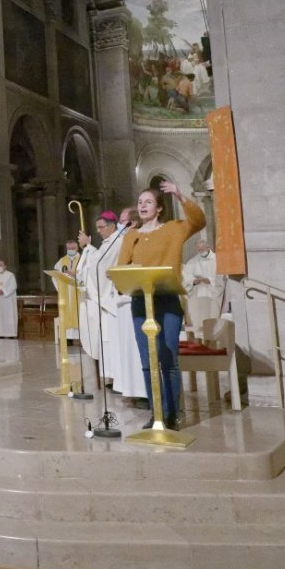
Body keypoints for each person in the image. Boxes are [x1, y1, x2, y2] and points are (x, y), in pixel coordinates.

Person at [118, 181, 206, 430]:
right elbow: (122, 267)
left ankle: (171, 413)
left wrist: (180, 195)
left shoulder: (173, 229)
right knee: (147, 360)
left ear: (158, 209)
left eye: (148, 202)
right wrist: (122, 276)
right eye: (140, 202)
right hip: (140, 301)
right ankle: (156, 413)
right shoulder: (131, 236)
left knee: (168, 358)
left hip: (167, 300)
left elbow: (199, 221)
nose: (142, 205)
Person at [76, 212, 124, 380]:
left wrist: (87, 246)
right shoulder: (108, 243)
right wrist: (88, 248)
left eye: (101, 227)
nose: (98, 231)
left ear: (111, 226)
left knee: (110, 339)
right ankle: (111, 377)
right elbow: (98, 260)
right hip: (106, 299)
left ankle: (115, 377)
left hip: (109, 299)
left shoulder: (116, 242)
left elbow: (99, 265)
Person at [113, 208, 149, 405]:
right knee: (130, 350)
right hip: (125, 299)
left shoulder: (140, 240)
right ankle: (135, 390)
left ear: (133, 223)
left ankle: (145, 392)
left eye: (123, 221)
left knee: (139, 350)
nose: (120, 225)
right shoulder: (125, 241)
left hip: (138, 298)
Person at [182, 238, 225, 338]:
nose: (200, 251)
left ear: (208, 247)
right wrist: (193, 281)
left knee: (211, 320)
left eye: (202, 249)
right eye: (199, 250)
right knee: (198, 320)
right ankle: (198, 340)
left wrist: (210, 280)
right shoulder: (192, 262)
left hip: (212, 294)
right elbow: (185, 277)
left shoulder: (218, 260)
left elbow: (222, 277)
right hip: (197, 296)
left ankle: (213, 339)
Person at [0, 261, 18, 338]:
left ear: (5, 266)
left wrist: (4, 291)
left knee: (8, 316)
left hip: (8, 301)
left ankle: (10, 334)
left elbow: (13, 286)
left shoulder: (10, 275)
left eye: (1, 265)